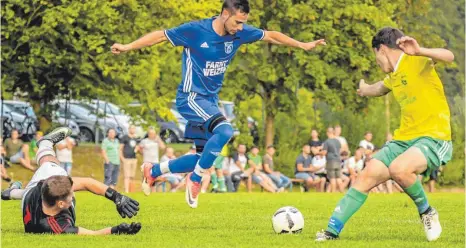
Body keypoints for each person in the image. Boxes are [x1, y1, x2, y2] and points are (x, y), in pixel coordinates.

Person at [113, 0, 326, 208]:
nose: (240, 28)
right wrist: (127, 47)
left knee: (202, 156)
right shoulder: (196, 31)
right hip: (190, 97)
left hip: (210, 101)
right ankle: (195, 179)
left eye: (243, 23)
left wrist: (302, 45)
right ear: (225, 15)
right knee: (225, 131)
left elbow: (270, 35)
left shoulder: (239, 33)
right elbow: (160, 35)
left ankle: (154, 171)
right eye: (237, 23)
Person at [316, 27, 454, 242]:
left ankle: (427, 212)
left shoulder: (416, 59)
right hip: (403, 139)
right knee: (367, 174)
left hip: (434, 136)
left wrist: (420, 50)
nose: (377, 63)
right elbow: (379, 88)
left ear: (380, 49)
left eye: (375, 57)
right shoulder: (394, 75)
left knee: (400, 169)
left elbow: (449, 56)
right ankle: (330, 232)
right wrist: (363, 88)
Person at [1, 127, 141, 235]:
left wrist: (117, 197)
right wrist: (116, 230)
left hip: (31, 194)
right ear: (61, 203)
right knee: (47, 166)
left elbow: (87, 183)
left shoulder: (48, 185)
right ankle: (45, 143)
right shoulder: (53, 226)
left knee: (49, 164)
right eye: (71, 194)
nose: (73, 194)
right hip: (30, 197)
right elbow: (92, 234)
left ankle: (12, 191)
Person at [321, 127, 343, 193]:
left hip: (331, 161)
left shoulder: (327, 142)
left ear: (328, 133)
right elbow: (340, 150)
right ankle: (342, 192)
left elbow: (324, 152)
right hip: (338, 160)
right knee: (339, 178)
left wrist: (319, 153)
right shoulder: (337, 141)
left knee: (332, 178)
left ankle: (333, 192)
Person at [119, 125, 139, 193]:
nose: (132, 129)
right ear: (129, 129)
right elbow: (120, 149)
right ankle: (126, 190)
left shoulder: (136, 138)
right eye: (131, 128)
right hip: (126, 159)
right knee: (127, 176)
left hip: (134, 159)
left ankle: (131, 190)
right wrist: (122, 158)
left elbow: (138, 148)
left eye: (134, 128)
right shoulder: (125, 137)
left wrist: (137, 149)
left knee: (132, 176)